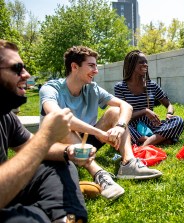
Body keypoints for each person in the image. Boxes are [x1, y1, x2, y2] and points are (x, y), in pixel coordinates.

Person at [39, 46, 162, 201]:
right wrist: (99, 133)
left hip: (85, 142)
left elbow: (126, 106)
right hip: (58, 148)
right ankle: (99, 175)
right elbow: (58, 116)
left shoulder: (92, 88)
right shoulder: (51, 88)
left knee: (115, 112)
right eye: (91, 66)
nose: (96, 70)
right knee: (61, 122)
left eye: (96, 65)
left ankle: (128, 164)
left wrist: (119, 126)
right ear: (74, 67)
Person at [0, 40, 88, 222]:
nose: (27, 75)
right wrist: (46, 136)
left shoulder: (5, 116)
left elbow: (32, 147)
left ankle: (65, 218)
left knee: (59, 163)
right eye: (17, 69)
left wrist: (68, 152)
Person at [114, 50, 184, 146]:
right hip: (131, 126)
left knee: (178, 121)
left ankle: (145, 143)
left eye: (146, 62)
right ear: (131, 64)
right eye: (141, 62)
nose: (145, 64)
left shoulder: (152, 85)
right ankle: (159, 140)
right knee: (121, 127)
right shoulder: (120, 87)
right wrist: (144, 111)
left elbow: (168, 104)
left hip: (151, 126)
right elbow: (121, 116)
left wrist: (169, 113)